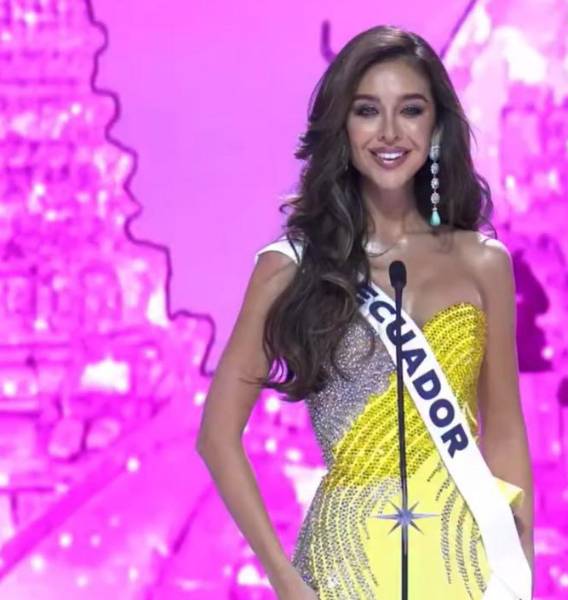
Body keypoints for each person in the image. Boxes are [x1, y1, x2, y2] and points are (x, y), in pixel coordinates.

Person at [196, 25, 534, 599]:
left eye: (410, 110)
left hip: (464, 566)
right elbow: (216, 436)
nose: (390, 132)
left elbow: (504, 435)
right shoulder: (290, 267)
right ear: (343, 128)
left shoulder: (484, 264)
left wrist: (520, 572)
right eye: (367, 111)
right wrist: (286, 579)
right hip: (341, 568)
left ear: (436, 127)